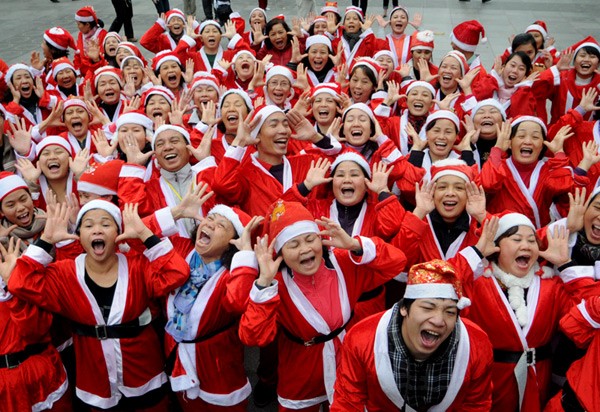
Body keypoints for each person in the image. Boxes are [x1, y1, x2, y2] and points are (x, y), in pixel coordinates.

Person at [5, 200, 189, 411]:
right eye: (89, 225)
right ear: (79, 235)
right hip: (95, 382)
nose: (97, 230)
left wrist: (144, 234)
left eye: (105, 224)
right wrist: (46, 240)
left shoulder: (138, 265)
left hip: (145, 376)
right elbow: (19, 282)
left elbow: (177, 273)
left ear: (118, 235)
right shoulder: (63, 273)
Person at [239, 199, 408, 411]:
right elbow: (253, 337)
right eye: (293, 244)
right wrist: (263, 283)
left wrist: (355, 245)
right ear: (280, 253)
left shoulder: (343, 262)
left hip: (345, 358)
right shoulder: (275, 284)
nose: (305, 249)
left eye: (310, 239)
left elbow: (398, 262)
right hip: (300, 366)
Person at [331, 258, 494, 411]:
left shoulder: (476, 344)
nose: (438, 321)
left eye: (450, 312)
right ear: (404, 308)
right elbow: (347, 403)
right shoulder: (363, 338)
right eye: (428, 308)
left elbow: (476, 405)